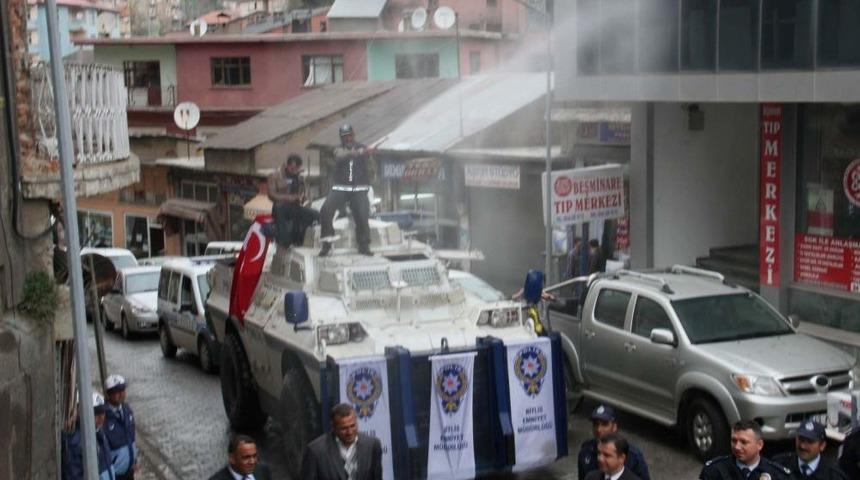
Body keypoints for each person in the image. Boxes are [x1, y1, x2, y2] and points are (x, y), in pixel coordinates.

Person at [319, 124, 373, 257]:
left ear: (353, 135)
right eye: (344, 136)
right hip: (340, 189)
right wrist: (358, 152)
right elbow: (338, 156)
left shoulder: (363, 147)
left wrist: (368, 154)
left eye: (349, 135)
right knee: (325, 210)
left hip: (359, 189)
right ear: (341, 138)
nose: (347, 138)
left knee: (363, 214)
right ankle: (327, 244)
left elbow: (372, 166)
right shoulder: (337, 149)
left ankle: (364, 245)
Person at [301, 403, 382, 480]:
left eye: (353, 426)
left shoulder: (372, 445)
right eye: (344, 428)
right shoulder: (315, 451)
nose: (350, 432)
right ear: (334, 428)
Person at [699, 420, 792, 480]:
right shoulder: (715, 471)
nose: (737, 447)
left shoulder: (778, 475)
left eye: (743, 442)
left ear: (759, 445)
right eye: (734, 441)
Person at [578, 405, 650, 480]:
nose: (599, 429)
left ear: (614, 427)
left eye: (605, 424)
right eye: (595, 424)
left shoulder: (633, 455)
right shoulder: (586, 451)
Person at [62, 392, 116, 480]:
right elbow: (74, 475)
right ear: (81, 413)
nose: (101, 417)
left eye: (103, 412)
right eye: (96, 413)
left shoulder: (97, 430)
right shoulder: (76, 442)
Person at [268, 154, 319, 248]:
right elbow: (271, 194)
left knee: (315, 214)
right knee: (279, 208)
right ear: (287, 165)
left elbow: (305, 194)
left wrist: (304, 197)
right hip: (281, 206)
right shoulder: (275, 175)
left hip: (295, 206)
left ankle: (300, 240)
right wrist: (288, 197)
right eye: (292, 168)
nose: (294, 171)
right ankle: (284, 241)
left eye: (296, 169)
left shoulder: (300, 177)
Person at [772, 420, 847, 479]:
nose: (803, 446)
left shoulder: (833, 475)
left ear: (822, 446)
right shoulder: (779, 466)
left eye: (810, 442)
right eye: (801, 439)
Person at [102, 375, 138, 480]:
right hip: (115, 474)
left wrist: (134, 459)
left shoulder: (127, 410)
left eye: (123, 390)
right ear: (108, 394)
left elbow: (132, 436)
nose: (122, 394)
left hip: (129, 470)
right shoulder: (103, 417)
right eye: (117, 391)